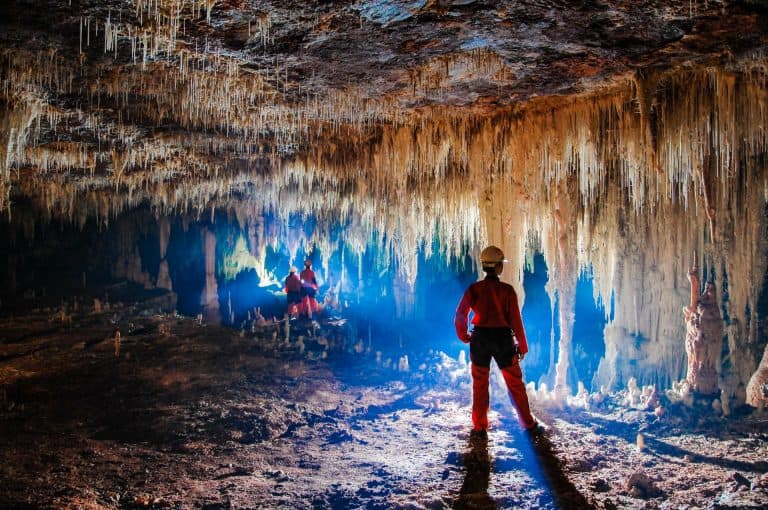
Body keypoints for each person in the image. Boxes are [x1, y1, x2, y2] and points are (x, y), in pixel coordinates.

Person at [454, 245, 543, 438]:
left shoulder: (474, 289)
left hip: (480, 339)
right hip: (502, 339)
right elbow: (516, 321)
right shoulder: (507, 291)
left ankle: (479, 427)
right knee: (514, 383)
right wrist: (523, 345)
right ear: (498, 267)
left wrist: (464, 335)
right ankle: (528, 424)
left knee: (480, 383)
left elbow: (460, 314)